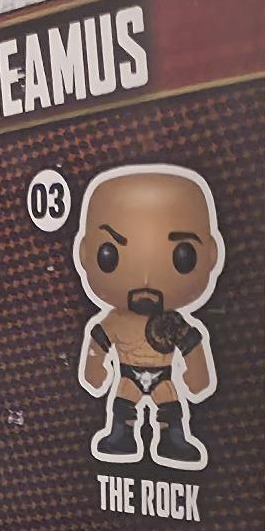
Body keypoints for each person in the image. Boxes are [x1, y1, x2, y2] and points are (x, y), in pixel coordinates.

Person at [75, 165, 223, 469]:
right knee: (122, 406)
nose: (144, 280)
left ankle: (173, 440)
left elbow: (191, 346)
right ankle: (121, 437)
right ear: (85, 254)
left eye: (183, 256)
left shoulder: (173, 323)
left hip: (163, 375)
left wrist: (198, 378)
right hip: (127, 374)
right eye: (109, 254)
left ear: (210, 255)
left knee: (170, 407)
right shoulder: (116, 321)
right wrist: (94, 369)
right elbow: (98, 343)